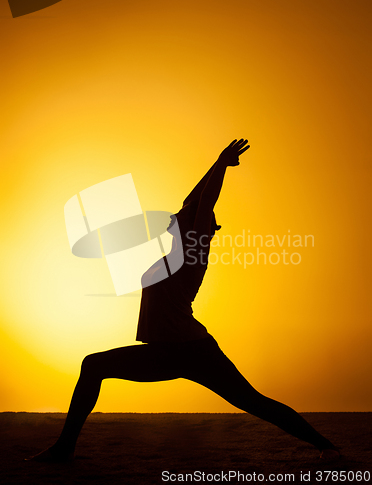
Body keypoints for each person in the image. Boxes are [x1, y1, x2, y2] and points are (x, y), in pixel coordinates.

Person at [28, 139, 339, 462]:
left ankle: (326, 445)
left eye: (185, 215)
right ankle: (64, 448)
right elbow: (193, 200)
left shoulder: (193, 252)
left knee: (252, 401)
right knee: (93, 365)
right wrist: (214, 167)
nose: (177, 214)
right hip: (164, 351)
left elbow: (204, 202)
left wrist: (221, 164)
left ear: (199, 229)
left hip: (193, 351)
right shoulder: (174, 253)